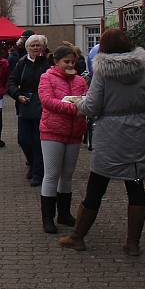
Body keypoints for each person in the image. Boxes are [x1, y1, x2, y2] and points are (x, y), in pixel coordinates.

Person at [59, 29, 145, 256]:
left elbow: (92, 106)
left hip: (111, 134)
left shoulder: (103, 72)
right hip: (137, 132)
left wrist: (76, 102)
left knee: (96, 185)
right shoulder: (142, 69)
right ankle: (133, 243)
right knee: (136, 184)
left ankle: (77, 236)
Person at [37, 45, 89, 234]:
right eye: (66, 61)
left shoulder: (80, 80)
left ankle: (64, 213)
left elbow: (86, 100)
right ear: (56, 62)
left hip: (74, 132)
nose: (70, 65)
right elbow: (47, 100)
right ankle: (48, 217)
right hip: (53, 131)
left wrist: (81, 105)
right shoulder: (47, 77)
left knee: (67, 174)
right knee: (51, 174)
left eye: (73, 62)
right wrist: (73, 107)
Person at [7, 34, 49, 186]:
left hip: (42, 105)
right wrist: (17, 95)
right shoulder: (21, 63)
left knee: (38, 141)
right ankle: (32, 163)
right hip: (25, 105)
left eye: (39, 45)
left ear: (43, 47)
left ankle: (39, 173)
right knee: (23, 139)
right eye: (33, 45)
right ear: (27, 48)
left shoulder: (47, 63)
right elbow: (11, 81)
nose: (36, 48)